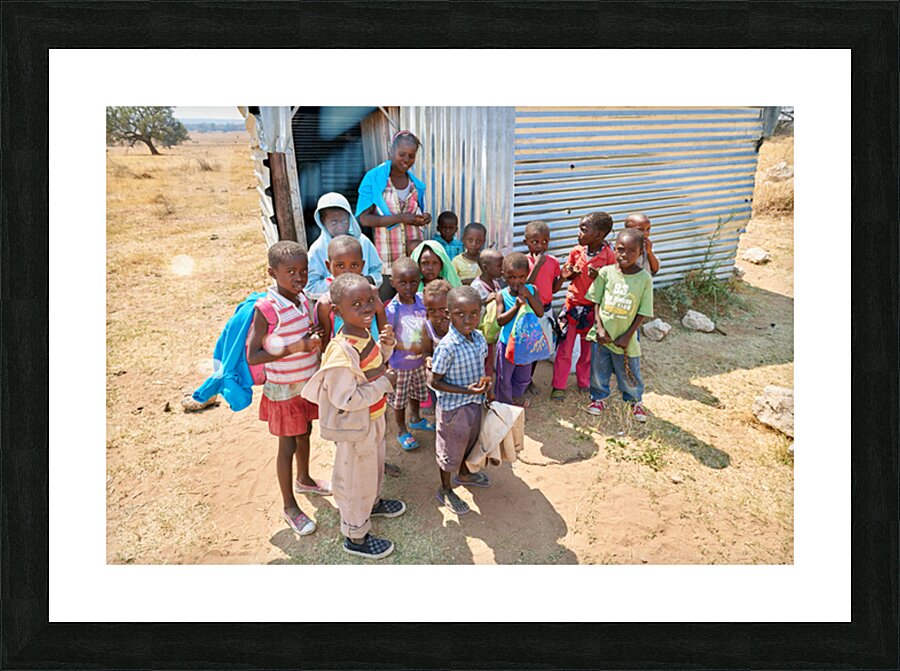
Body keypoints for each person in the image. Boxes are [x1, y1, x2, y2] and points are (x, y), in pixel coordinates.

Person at [301, 273, 407, 559]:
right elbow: (345, 398)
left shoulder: (363, 333)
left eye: (369, 301)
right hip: (356, 427)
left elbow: (375, 364)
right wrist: (385, 383)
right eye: (356, 304)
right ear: (336, 312)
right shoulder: (341, 350)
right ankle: (356, 535)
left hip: (374, 419)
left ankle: (371, 505)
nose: (366, 309)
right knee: (354, 479)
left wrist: (386, 345)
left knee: (372, 470)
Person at [245, 242, 327, 537]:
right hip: (284, 389)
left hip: (305, 383)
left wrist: (310, 336)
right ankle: (289, 505)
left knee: (305, 433)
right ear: (272, 272)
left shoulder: (302, 298)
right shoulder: (266, 309)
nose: (299, 277)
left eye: (303, 271)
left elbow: (299, 333)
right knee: (287, 444)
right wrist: (297, 346)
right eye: (290, 272)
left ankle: (304, 479)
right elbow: (254, 355)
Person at [314, 236, 400, 478]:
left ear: (362, 265)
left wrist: (384, 352)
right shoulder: (325, 302)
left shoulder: (371, 292)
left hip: (372, 357)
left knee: (377, 411)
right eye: (339, 265)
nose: (347, 271)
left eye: (354, 265)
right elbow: (325, 341)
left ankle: (379, 459)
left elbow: (382, 324)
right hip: (348, 364)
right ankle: (351, 463)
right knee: (352, 413)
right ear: (328, 265)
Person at [427, 286, 493, 516]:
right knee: (450, 450)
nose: (468, 319)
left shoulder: (479, 338)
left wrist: (486, 387)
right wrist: (465, 390)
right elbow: (434, 381)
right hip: (453, 410)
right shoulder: (447, 347)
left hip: (474, 403)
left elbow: (482, 365)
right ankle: (445, 488)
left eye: (474, 313)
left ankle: (464, 474)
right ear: (448, 313)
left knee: (469, 442)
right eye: (460, 314)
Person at [585, 228, 654, 422]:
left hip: (625, 337)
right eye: (621, 249)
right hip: (602, 335)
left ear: (641, 252)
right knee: (599, 369)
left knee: (629, 369)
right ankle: (598, 397)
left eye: (632, 250)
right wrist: (598, 327)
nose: (625, 254)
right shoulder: (606, 273)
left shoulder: (644, 279)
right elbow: (596, 300)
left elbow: (643, 311)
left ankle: (634, 400)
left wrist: (628, 335)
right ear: (614, 249)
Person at [356, 130, 432, 301]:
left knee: (414, 307)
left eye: (411, 156)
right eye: (402, 154)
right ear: (392, 151)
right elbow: (364, 218)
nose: (406, 160)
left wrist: (423, 218)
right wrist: (401, 218)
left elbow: (414, 213)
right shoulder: (374, 179)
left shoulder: (416, 184)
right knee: (386, 306)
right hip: (387, 259)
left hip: (412, 261)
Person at [550, 212, 616, 402]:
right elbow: (567, 272)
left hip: (592, 310)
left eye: (583, 230)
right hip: (573, 306)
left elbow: (612, 284)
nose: (579, 233)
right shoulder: (577, 251)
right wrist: (568, 274)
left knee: (588, 351)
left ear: (599, 234)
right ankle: (558, 386)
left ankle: (584, 381)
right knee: (565, 349)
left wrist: (599, 277)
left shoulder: (609, 257)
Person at [384, 258, 434, 452]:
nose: (408, 287)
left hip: (419, 362)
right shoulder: (392, 309)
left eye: (413, 282)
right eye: (402, 282)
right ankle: (402, 430)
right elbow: (388, 339)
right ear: (392, 282)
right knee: (399, 400)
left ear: (419, 281)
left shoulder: (422, 301)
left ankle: (416, 418)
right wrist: (409, 347)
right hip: (400, 364)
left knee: (417, 393)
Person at [305, 192, 383, 301]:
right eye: (334, 222)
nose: (340, 226)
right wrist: (339, 285)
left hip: (363, 301)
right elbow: (310, 287)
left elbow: (377, 271)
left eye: (344, 221)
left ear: (350, 218)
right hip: (333, 308)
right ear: (322, 222)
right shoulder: (318, 249)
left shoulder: (363, 242)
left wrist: (367, 280)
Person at [494, 252, 544, 407]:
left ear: (527, 275)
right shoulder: (502, 295)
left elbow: (540, 312)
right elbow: (500, 320)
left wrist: (529, 296)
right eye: (512, 277)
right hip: (507, 345)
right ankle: (504, 405)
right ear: (504, 276)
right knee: (504, 378)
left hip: (526, 345)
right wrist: (516, 307)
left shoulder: (532, 289)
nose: (517, 281)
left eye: (521, 277)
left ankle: (515, 398)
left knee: (523, 377)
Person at [524, 220, 563, 395]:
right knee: (525, 347)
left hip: (546, 310)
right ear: (526, 242)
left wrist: (563, 277)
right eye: (535, 242)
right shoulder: (523, 261)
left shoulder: (553, 261)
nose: (540, 245)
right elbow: (525, 288)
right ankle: (523, 381)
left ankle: (529, 379)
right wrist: (537, 265)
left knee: (538, 348)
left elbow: (554, 287)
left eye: (545, 241)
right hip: (528, 311)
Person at [420, 278, 452, 416]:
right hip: (438, 376)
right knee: (439, 405)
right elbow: (426, 351)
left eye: (442, 310)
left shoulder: (458, 323)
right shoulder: (427, 327)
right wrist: (428, 359)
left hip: (456, 375)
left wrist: (451, 331)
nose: (437, 315)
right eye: (431, 310)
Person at [473, 248, 503, 378]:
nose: (502, 269)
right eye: (499, 266)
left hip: (491, 332)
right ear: (485, 268)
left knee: (490, 359)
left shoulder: (496, 283)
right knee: (484, 362)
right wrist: (485, 300)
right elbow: (471, 306)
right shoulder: (477, 286)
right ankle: (485, 389)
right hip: (481, 333)